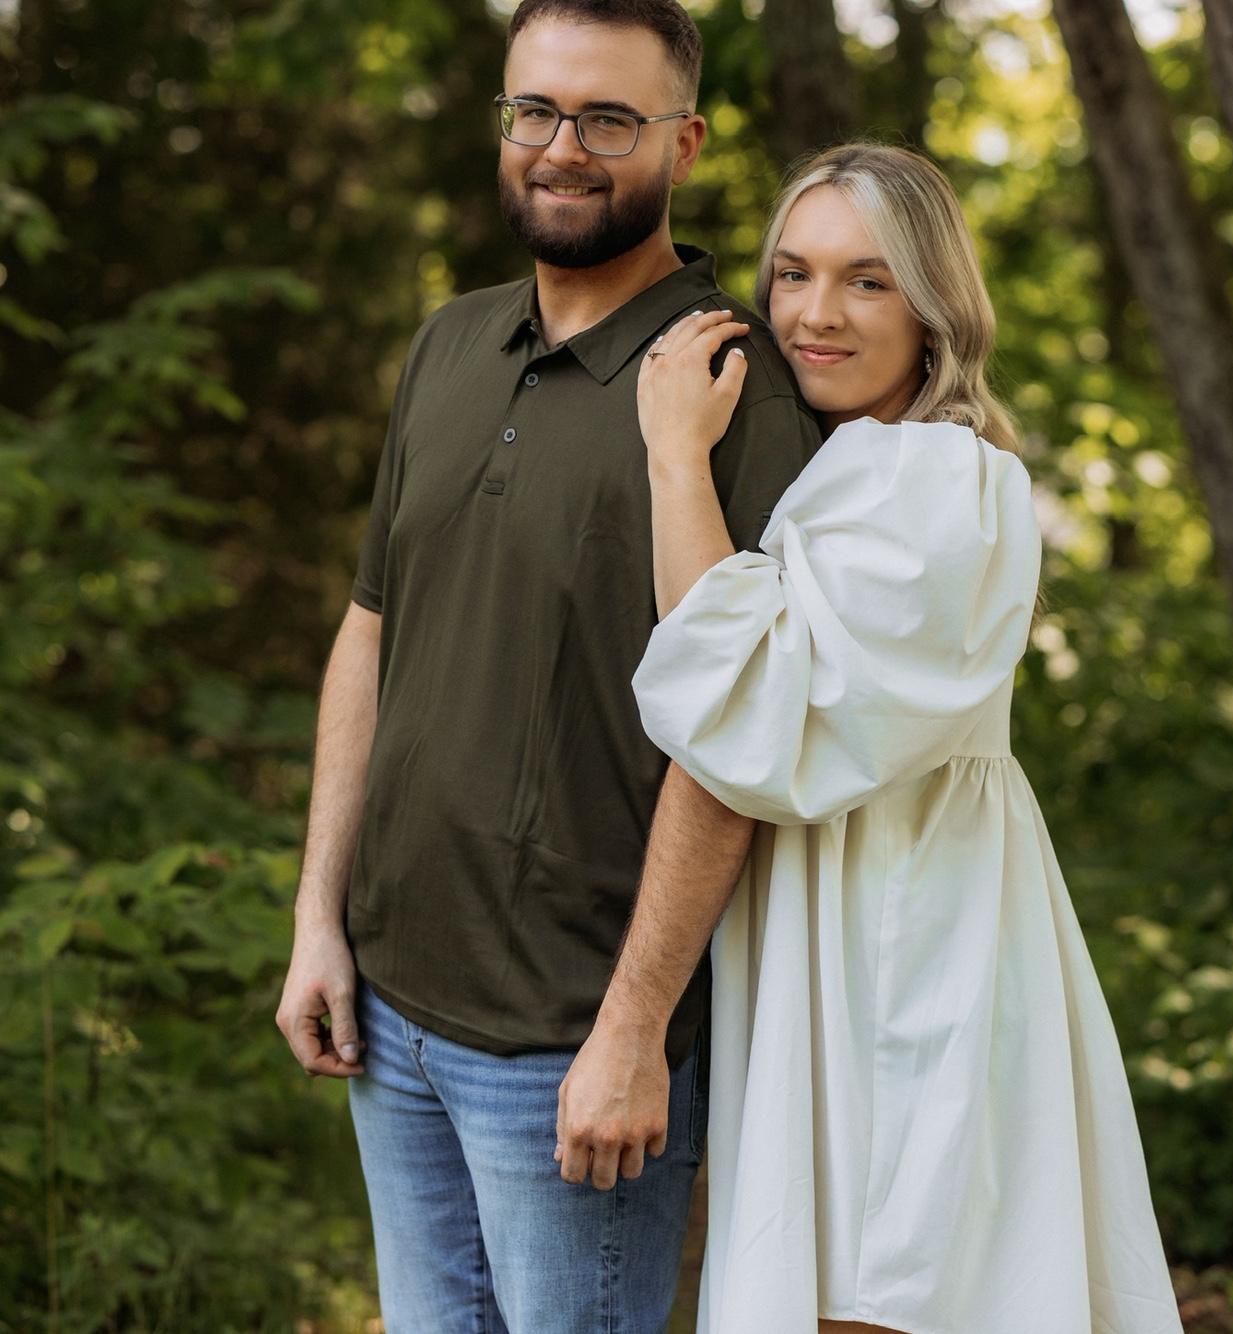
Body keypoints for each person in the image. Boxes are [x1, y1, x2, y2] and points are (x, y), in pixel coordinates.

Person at [569, 143, 1186, 1333]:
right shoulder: (846, 462)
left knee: (880, 1279)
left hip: (902, 931)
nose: (814, 313)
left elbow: (740, 704)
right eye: (792, 273)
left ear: (932, 305)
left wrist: (673, 456)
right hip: (838, 914)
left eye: (866, 280)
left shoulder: (940, 477)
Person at [273, 1, 822, 1329]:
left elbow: (741, 736)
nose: (562, 147)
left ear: (683, 143)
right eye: (536, 110)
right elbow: (372, 625)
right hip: (389, 1011)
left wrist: (634, 1026)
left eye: (608, 119)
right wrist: (318, 918)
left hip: (571, 1043)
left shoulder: (733, 386)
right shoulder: (449, 342)